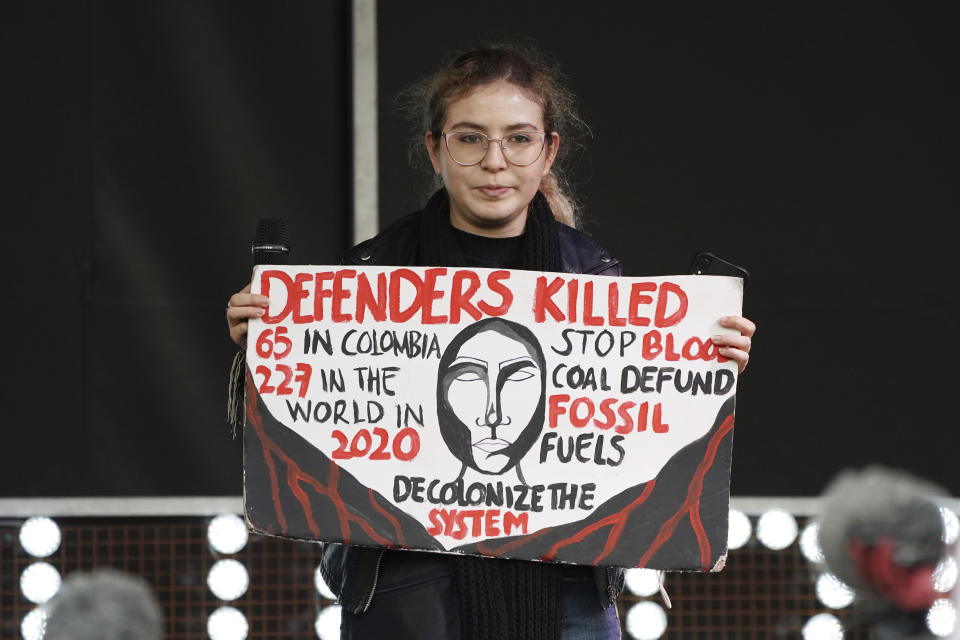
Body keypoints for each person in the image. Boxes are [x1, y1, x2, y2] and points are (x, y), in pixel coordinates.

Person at [227, 44, 756, 640]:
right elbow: (314, 435)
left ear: (548, 149)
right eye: (470, 138)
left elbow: (644, 432)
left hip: (570, 607)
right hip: (406, 603)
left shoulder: (599, 283)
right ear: (435, 147)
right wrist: (269, 345)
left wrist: (708, 363)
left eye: (519, 139)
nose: (495, 161)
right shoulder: (368, 275)